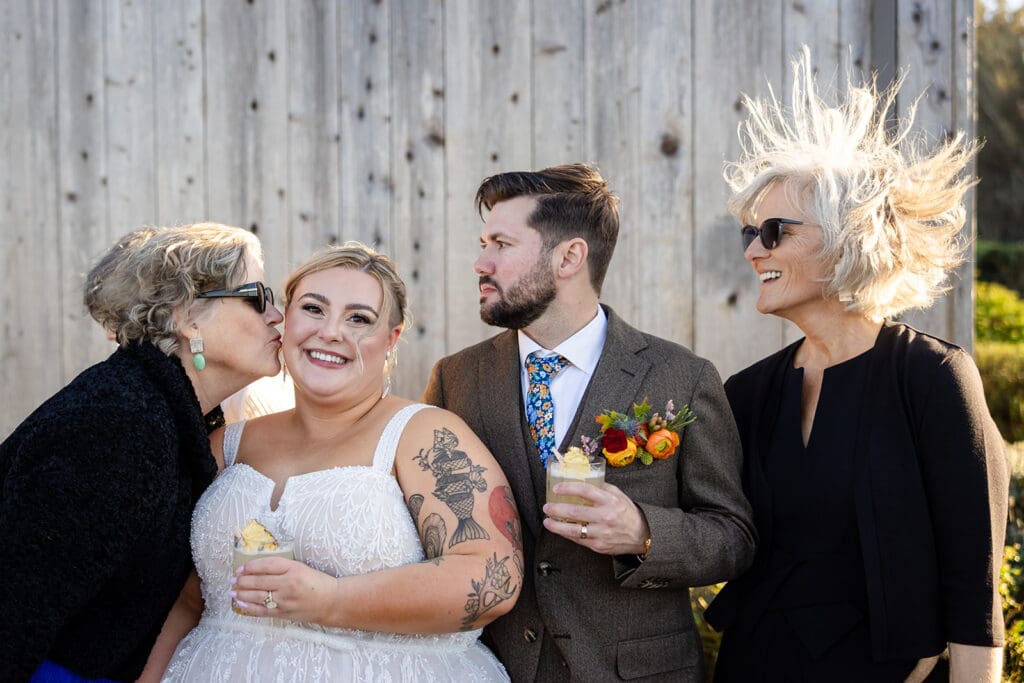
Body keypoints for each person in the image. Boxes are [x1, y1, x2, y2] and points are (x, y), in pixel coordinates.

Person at [704, 48, 1008, 682]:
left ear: (849, 236)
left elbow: (974, 593)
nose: (754, 252)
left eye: (775, 231)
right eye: (749, 234)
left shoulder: (932, 378)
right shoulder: (749, 393)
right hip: (754, 666)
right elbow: (713, 528)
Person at [423, 163, 756, 681]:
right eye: (483, 243)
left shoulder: (681, 378)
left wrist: (644, 532)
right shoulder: (456, 379)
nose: (480, 262)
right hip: (496, 669)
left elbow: (732, 537)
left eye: (502, 245)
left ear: (569, 257)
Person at [157, 242, 519, 681]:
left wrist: (331, 599)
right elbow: (189, 600)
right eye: (313, 309)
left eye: (359, 319)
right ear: (284, 320)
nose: (331, 332)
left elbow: (494, 577)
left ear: (392, 339)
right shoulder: (226, 444)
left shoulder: (424, 436)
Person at [1, 223, 284, 682]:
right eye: (256, 295)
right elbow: (16, 605)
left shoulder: (165, 414)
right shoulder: (117, 422)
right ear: (188, 317)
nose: (276, 314)